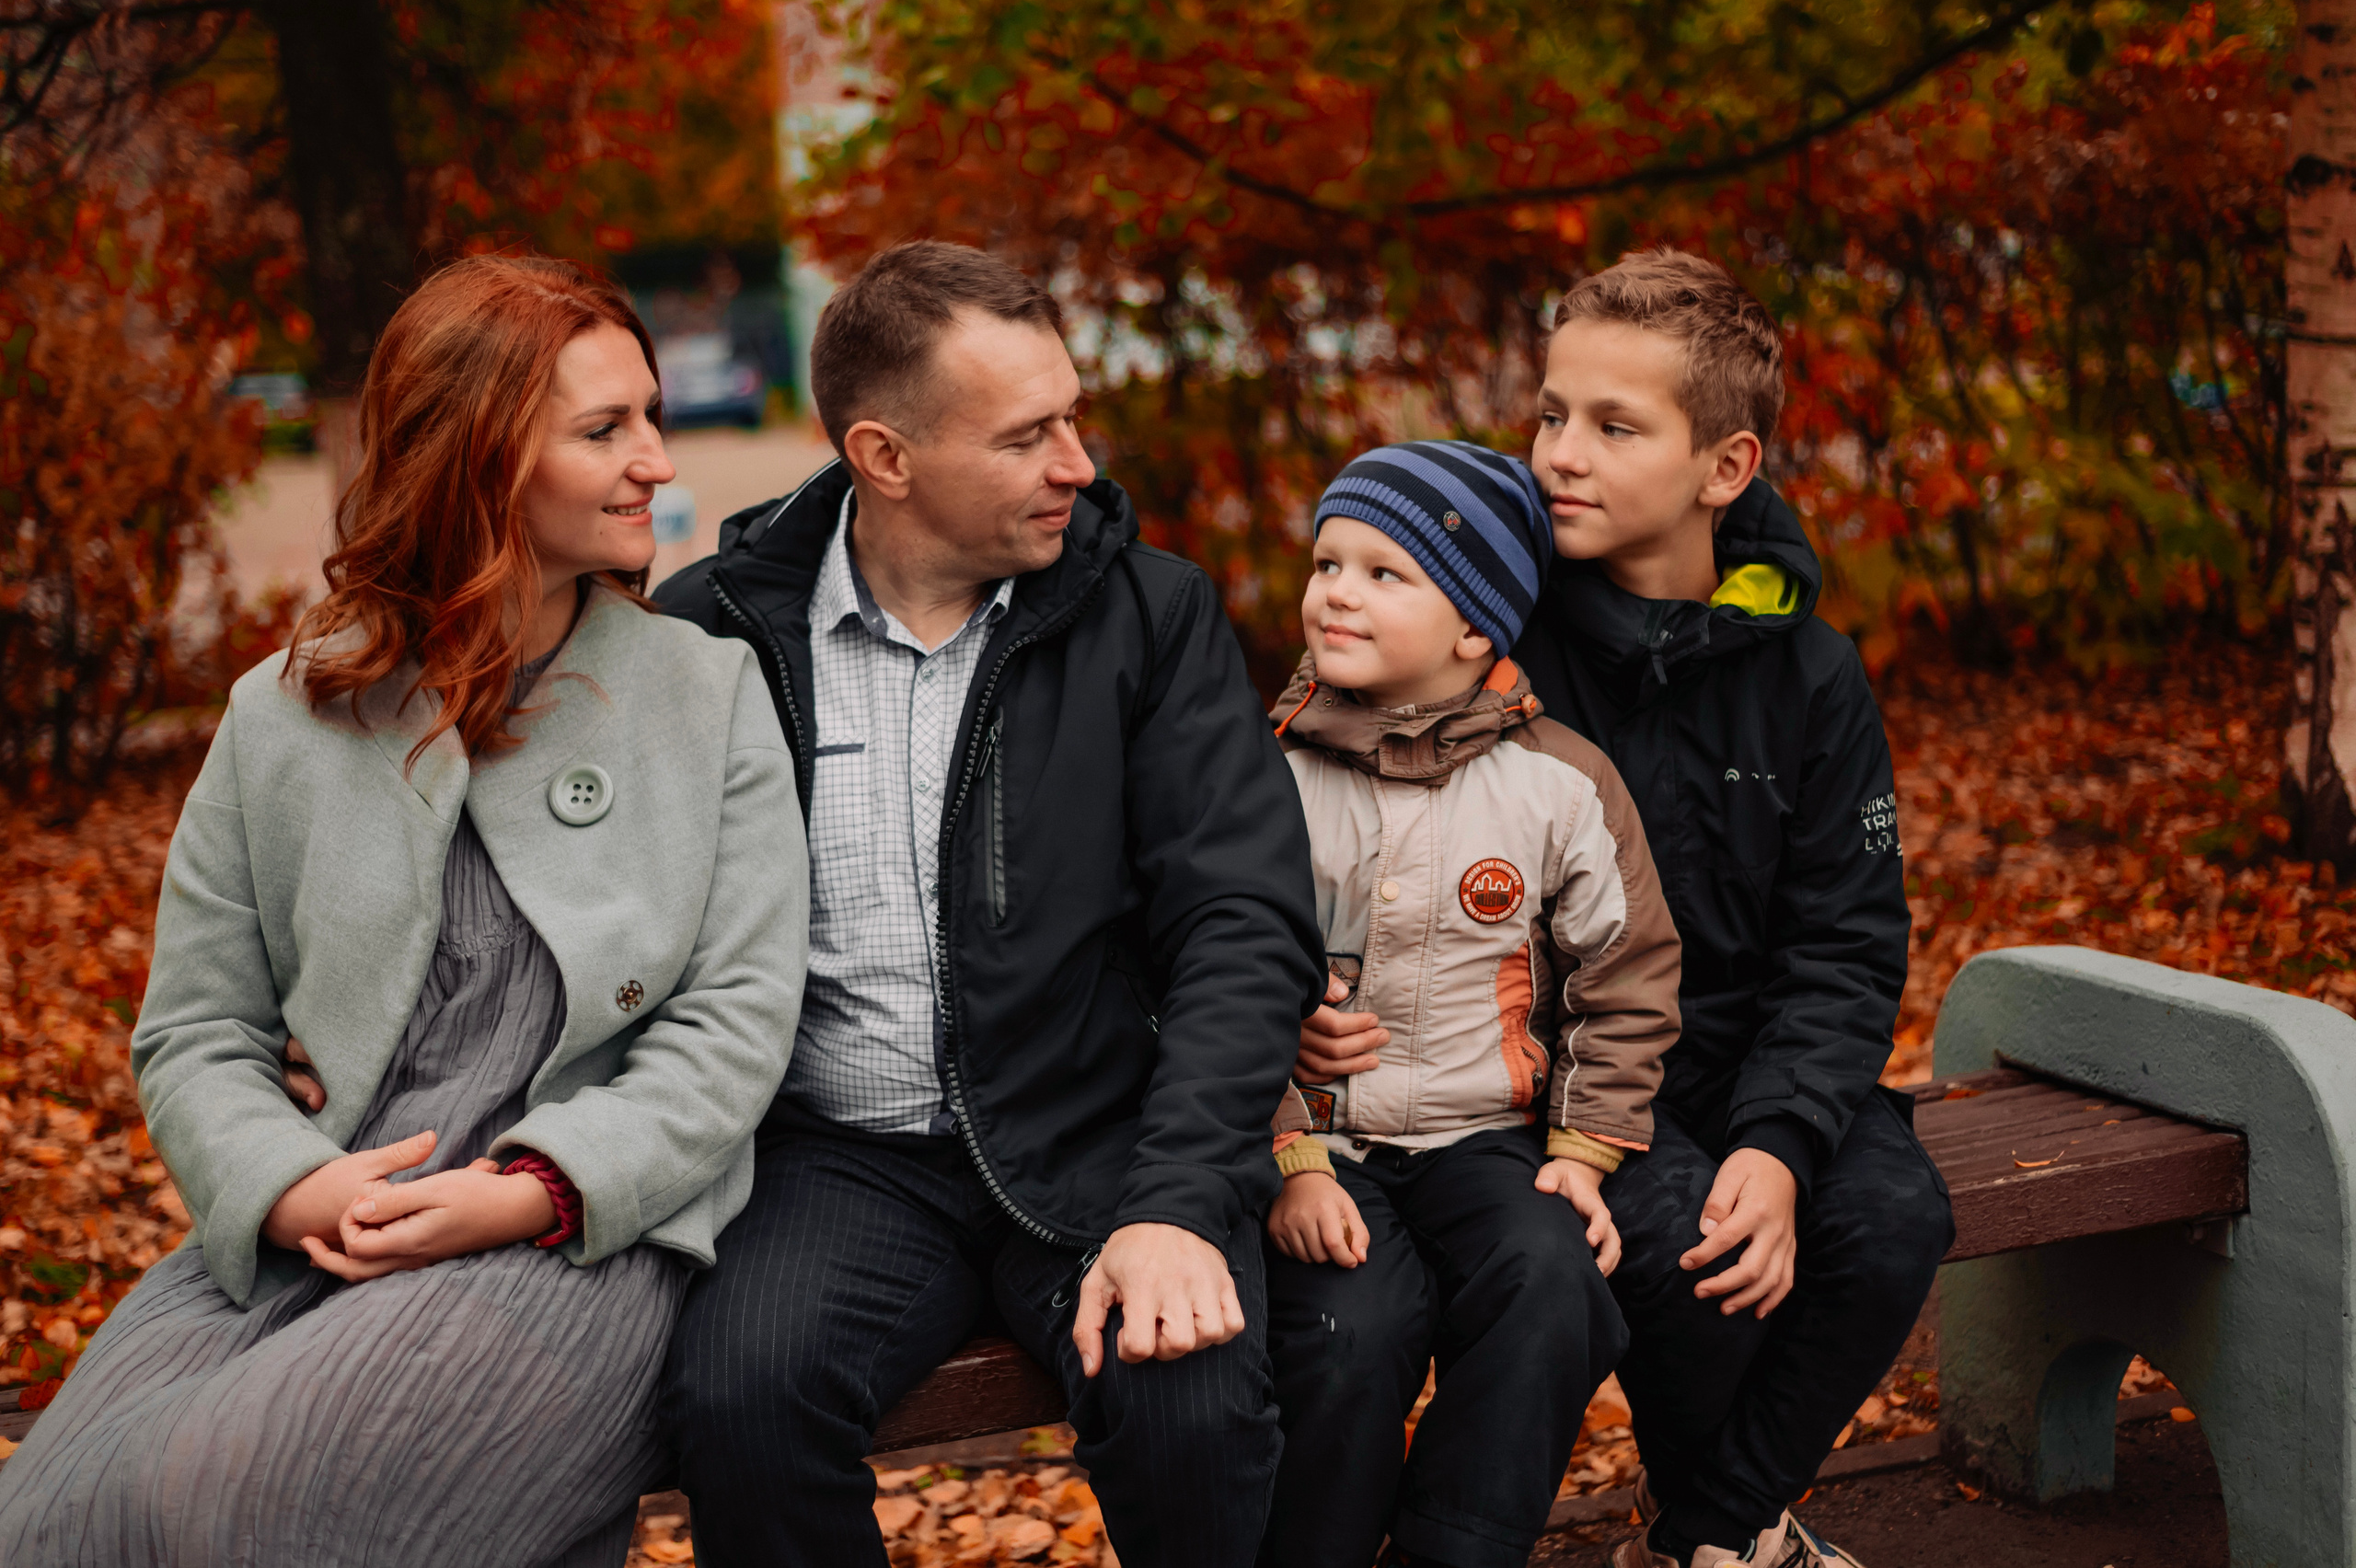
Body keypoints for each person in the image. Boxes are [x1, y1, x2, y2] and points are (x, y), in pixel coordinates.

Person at [0, 254, 810, 1568]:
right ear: (480, 461)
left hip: (578, 1242)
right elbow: (197, 1030)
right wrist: (288, 1188)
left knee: (237, 1504)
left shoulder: (704, 695)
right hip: (325, 1225)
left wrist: (528, 1190)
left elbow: (736, 1026)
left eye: (649, 417)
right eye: (606, 430)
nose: (657, 461)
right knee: (59, 1514)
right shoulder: (286, 711)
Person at [651, 240, 1324, 1568]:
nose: (1078, 463)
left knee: (1187, 1395)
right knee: (738, 1406)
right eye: (1028, 435)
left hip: (1101, 1136)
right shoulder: (716, 636)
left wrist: (1179, 1199)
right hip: (836, 1159)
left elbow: (1242, 920)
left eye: (1073, 418)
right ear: (885, 456)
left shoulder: (1149, 613)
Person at [1501, 248, 1953, 1567]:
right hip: (1573, 1087)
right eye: (1551, 412)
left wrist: (1780, 1138)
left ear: (1727, 467)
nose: (1560, 452)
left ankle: (1704, 1533)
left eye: (1612, 424)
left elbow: (1848, 943)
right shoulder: (1497, 648)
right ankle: (1740, 1538)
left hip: (1756, 1061)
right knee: (1699, 1263)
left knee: (1889, 1222)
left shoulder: (1809, 674)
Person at [1254, 441, 1684, 1568]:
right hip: (1321, 1146)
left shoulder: (1559, 782)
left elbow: (1626, 971)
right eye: (1325, 561)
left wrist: (1584, 1153)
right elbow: (1201, 973)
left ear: (1475, 630)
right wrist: (1285, 1149)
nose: (1335, 589)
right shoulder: (1263, 775)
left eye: (1383, 573)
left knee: (1557, 1282)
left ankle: (1453, 1548)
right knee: (1352, 1329)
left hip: (1480, 1132)